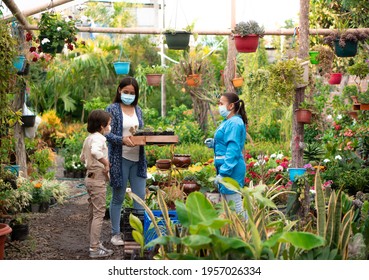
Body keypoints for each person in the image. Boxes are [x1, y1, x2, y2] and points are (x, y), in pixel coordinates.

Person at [105, 76, 147, 246]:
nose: (128, 95)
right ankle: (116, 233)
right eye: (126, 92)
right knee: (118, 197)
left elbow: (140, 131)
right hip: (120, 157)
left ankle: (138, 234)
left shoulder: (138, 110)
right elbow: (106, 133)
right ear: (119, 90)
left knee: (140, 198)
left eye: (132, 93)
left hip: (138, 159)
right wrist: (121, 140)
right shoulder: (113, 109)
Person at [204, 92, 247, 217]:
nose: (219, 106)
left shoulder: (234, 123)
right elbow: (226, 142)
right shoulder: (227, 121)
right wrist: (214, 143)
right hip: (226, 169)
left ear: (231, 106)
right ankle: (237, 233)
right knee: (229, 209)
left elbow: (233, 149)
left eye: (221, 103)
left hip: (231, 169)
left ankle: (248, 233)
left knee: (236, 207)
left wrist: (224, 172)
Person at [80, 109, 114, 258]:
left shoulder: (88, 138)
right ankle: (94, 248)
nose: (109, 127)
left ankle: (94, 242)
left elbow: (83, 158)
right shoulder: (99, 138)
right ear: (102, 126)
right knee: (99, 213)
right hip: (97, 178)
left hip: (89, 178)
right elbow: (95, 152)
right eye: (109, 124)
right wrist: (106, 163)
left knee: (93, 213)